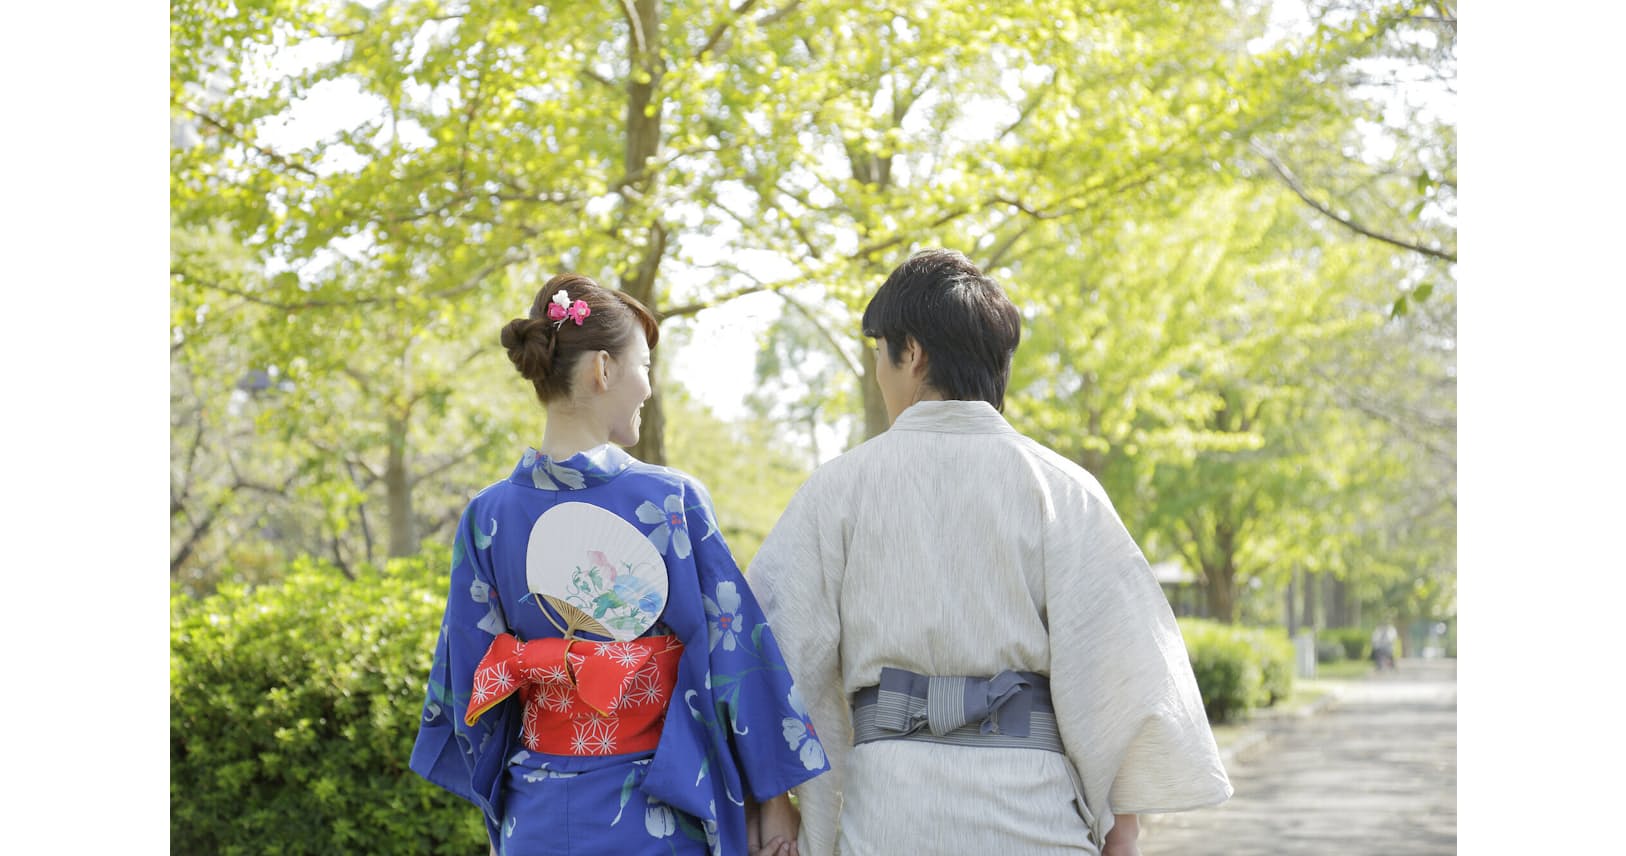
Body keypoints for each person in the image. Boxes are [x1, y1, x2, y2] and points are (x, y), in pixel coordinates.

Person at [749, 250, 1232, 856]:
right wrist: (1122, 831)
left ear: (913, 352)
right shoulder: (1062, 488)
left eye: (880, 352)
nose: (878, 370)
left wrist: (777, 807)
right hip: (1034, 815)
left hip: (892, 818)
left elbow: (767, 651)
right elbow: (1123, 665)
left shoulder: (837, 488)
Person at [411, 274, 827, 856]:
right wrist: (772, 802)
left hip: (533, 814)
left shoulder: (487, 516)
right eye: (645, 367)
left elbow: (468, 684)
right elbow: (732, 655)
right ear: (603, 370)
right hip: (656, 809)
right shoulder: (670, 501)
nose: (649, 389)